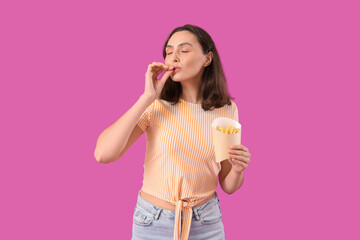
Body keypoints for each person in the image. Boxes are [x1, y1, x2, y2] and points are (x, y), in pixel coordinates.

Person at [94, 24, 252, 240]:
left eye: (184, 50)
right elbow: (103, 154)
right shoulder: (155, 105)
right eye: (169, 52)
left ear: (207, 59)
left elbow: (228, 184)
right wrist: (146, 99)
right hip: (153, 222)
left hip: (207, 223)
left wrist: (237, 169)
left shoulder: (227, 109)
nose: (173, 57)